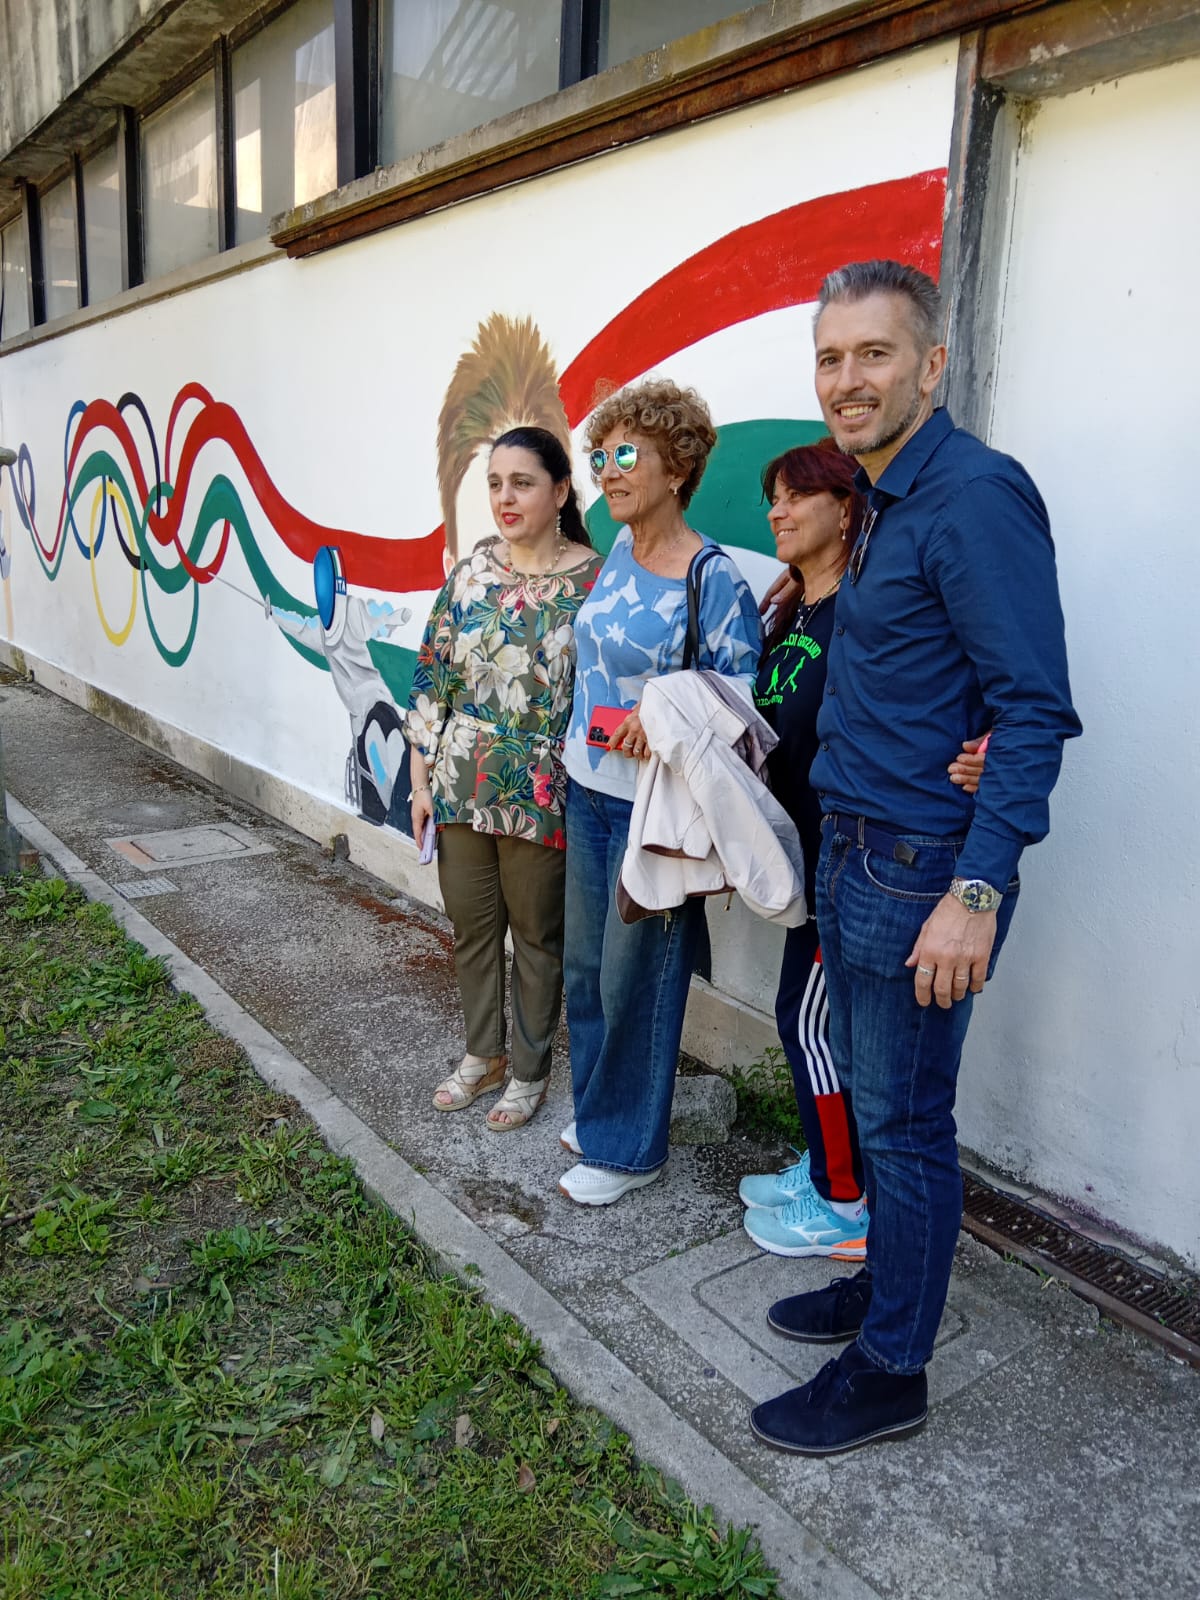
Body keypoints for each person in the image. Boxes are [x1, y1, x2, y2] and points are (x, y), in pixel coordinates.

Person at [749, 260, 1080, 1457]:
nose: (848, 380)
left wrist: (976, 894)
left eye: (874, 355)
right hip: (851, 848)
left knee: (902, 1123)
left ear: (931, 365)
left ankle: (892, 1368)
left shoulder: (976, 496)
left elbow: (1033, 710)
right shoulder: (879, 497)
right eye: (832, 358)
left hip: (916, 874)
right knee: (883, 1113)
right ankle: (883, 1285)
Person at [739, 441, 987, 1259]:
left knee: (810, 1030)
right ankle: (823, 1169)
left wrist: (989, 740)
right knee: (809, 1024)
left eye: (794, 496)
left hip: (858, 861)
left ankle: (845, 1202)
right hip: (802, 856)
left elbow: (963, 683)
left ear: (846, 509)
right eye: (770, 496)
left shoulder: (867, 613)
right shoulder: (796, 609)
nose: (776, 510)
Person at [558, 379, 762, 1206]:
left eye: (625, 455)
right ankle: (603, 1110)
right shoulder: (617, 552)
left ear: (676, 468)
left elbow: (741, 696)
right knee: (585, 969)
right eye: (600, 456)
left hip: (656, 807)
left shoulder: (713, 577)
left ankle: (628, 1150)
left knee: (636, 976)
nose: (607, 471)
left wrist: (664, 715)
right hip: (587, 785)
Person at [405, 427, 602, 1131]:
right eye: (494, 483)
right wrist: (420, 784)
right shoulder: (471, 573)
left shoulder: (594, 579)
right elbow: (431, 680)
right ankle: (482, 1053)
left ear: (559, 491)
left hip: (541, 788)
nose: (505, 497)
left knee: (538, 938)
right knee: (471, 929)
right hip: (460, 778)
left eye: (522, 482)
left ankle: (528, 1069)